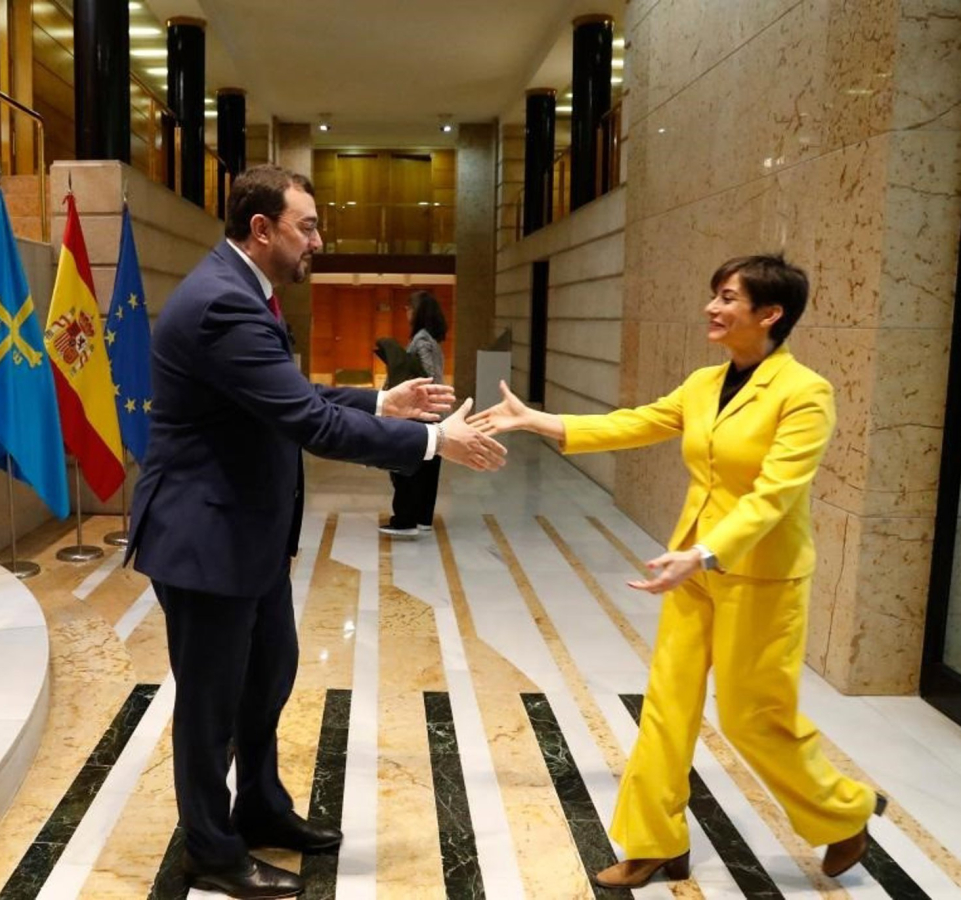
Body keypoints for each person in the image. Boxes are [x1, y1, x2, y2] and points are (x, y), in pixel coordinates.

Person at [127, 164, 506, 899]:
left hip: (248, 537)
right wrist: (434, 442)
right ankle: (210, 849)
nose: (319, 241)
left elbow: (289, 393)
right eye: (307, 227)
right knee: (210, 706)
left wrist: (381, 402)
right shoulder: (222, 304)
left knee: (267, 677)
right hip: (205, 540)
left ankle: (260, 807)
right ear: (260, 228)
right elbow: (306, 421)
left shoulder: (243, 290)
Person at [470, 254, 883, 888]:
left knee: (750, 716)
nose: (712, 308)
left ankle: (843, 811)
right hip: (693, 570)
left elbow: (774, 495)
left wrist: (706, 551)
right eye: (715, 295)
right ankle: (655, 841)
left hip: (761, 577)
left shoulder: (805, 393)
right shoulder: (703, 383)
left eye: (728, 298)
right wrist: (535, 421)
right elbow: (632, 424)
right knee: (667, 705)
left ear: (770, 314)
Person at [379, 290, 448, 538]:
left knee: (406, 467)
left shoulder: (421, 341)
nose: (406, 311)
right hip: (435, 412)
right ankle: (423, 518)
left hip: (420, 414)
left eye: (409, 307)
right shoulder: (432, 340)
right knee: (428, 467)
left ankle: (405, 520)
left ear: (418, 312)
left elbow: (428, 375)